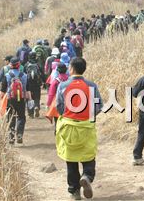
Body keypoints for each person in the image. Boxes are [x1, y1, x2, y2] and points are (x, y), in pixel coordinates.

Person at [56, 58, 103, 200]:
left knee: (71, 161)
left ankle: (74, 192)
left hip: (68, 127)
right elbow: (99, 106)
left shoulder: (63, 86)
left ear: (71, 69)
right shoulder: (91, 86)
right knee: (88, 156)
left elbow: (59, 107)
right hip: (86, 126)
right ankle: (87, 176)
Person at [0, 58, 30, 144]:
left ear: (11, 65)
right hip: (21, 99)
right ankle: (19, 134)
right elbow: (27, 90)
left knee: (10, 117)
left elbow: (2, 91)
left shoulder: (7, 75)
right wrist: (30, 99)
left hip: (10, 99)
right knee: (21, 117)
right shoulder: (24, 75)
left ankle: (11, 137)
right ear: (19, 65)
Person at [46, 63, 69, 133]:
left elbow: (51, 94)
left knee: (57, 121)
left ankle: (58, 134)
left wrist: (48, 104)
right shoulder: (69, 80)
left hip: (57, 104)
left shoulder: (56, 81)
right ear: (66, 70)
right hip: (69, 104)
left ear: (58, 71)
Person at [25, 52, 44, 118]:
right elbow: (42, 73)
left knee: (29, 98)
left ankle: (31, 113)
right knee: (36, 97)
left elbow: (24, 74)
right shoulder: (38, 64)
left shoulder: (26, 65)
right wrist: (43, 82)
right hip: (37, 83)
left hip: (28, 84)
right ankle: (36, 106)